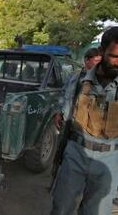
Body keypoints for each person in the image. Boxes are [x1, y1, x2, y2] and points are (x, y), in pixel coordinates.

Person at [50, 27, 118, 215]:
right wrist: (59, 112)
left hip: (110, 159)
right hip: (76, 153)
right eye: (114, 56)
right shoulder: (79, 80)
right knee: (61, 208)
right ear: (102, 51)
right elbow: (64, 103)